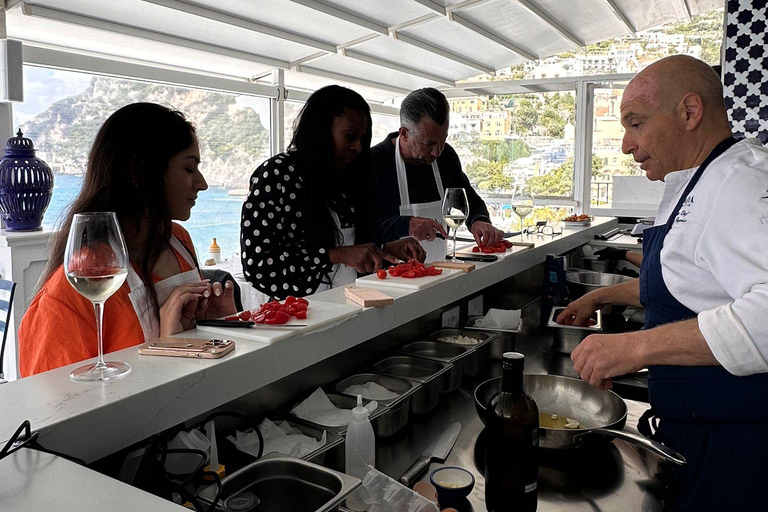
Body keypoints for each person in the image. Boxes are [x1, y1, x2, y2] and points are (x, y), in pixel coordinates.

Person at [556, 55, 768, 511]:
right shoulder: (701, 179)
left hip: (738, 446)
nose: (627, 145)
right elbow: (695, 282)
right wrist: (604, 294)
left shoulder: (741, 183)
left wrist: (636, 348)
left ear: (690, 112)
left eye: (636, 124)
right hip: (697, 431)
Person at [19, 103, 236, 377]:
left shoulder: (177, 240)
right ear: (138, 173)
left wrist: (221, 324)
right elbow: (63, 409)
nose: (202, 183)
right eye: (189, 169)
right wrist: (166, 348)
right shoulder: (72, 292)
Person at [240, 85, 423, 299]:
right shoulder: (277, 176)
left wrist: (385, 249)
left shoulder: (349, 176)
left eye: (363, 139)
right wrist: (334, 255)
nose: (358, 147)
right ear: (321, 131)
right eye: (350, 136)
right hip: (297, 315)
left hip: (350, 307)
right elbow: (259, 267)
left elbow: (353, 247)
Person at [371, 87, 504, 262]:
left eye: (444, 140)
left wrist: (479, 220)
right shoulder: (373, 163)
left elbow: (465, 196)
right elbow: (362, 230)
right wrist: (406, 224)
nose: (437, 152)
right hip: (388, 277)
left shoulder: (446, 157)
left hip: (439, 268)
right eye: (428, 143)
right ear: (404, 133)